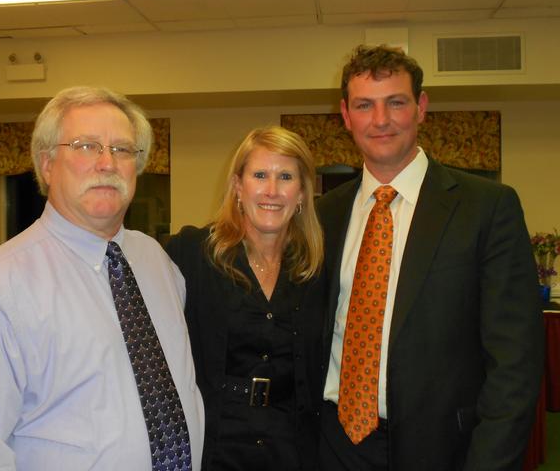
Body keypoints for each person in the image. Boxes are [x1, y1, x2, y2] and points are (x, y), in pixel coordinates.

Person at [0, 86, 204, 470]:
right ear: (47, 164)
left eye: (122, 149)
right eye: (86, 146)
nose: (107, 163)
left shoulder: (157, 263)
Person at [316, 44, 543, 470]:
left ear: (421, 107)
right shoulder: (322, 215)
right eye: (365, 105)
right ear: (346, 116)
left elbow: (516, 362)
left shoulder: (486, 207)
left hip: (443, 448)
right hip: (334, 444)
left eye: (395, 103)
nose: (380, 120)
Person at [166, 125, 325, 470]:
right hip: (215, 447)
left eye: (285, 176)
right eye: (259, 175)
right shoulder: (192, 253)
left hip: (293, 449)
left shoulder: (315, 270)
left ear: (301, 193)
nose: (271, 190)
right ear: (238, 186)